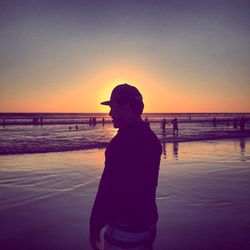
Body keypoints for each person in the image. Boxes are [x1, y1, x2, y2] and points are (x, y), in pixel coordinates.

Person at [89, 83, 162, 250]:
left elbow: (106, 190)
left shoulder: (120, 144)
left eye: (113, 107)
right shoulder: (152, 140)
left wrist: (95, 225)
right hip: (148, 225)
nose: (110, 113)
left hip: (124, 231)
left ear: (127, 107)